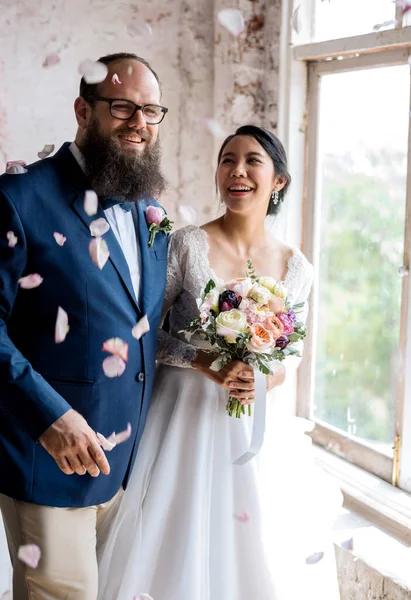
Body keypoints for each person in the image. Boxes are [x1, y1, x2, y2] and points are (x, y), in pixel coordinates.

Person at [98, 125, 342, 599]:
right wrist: (204, 359)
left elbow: (288, 357)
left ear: (279, 182)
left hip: (253, 430)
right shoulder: (186, 244)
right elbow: (146, 332)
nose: (237, 171)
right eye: (228, 159)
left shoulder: (298, 268)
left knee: (253, 555)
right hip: (179, 420)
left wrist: (261, 378)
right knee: (170, 544)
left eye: (253, 161)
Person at [0, 52, 169, 599]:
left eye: (150, 110)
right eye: (122, 108)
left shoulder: (150, 213)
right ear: (82, 110)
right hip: (46, 464)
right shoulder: (18, 200)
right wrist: (51, 419)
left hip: (128, 469)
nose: (139, 123)